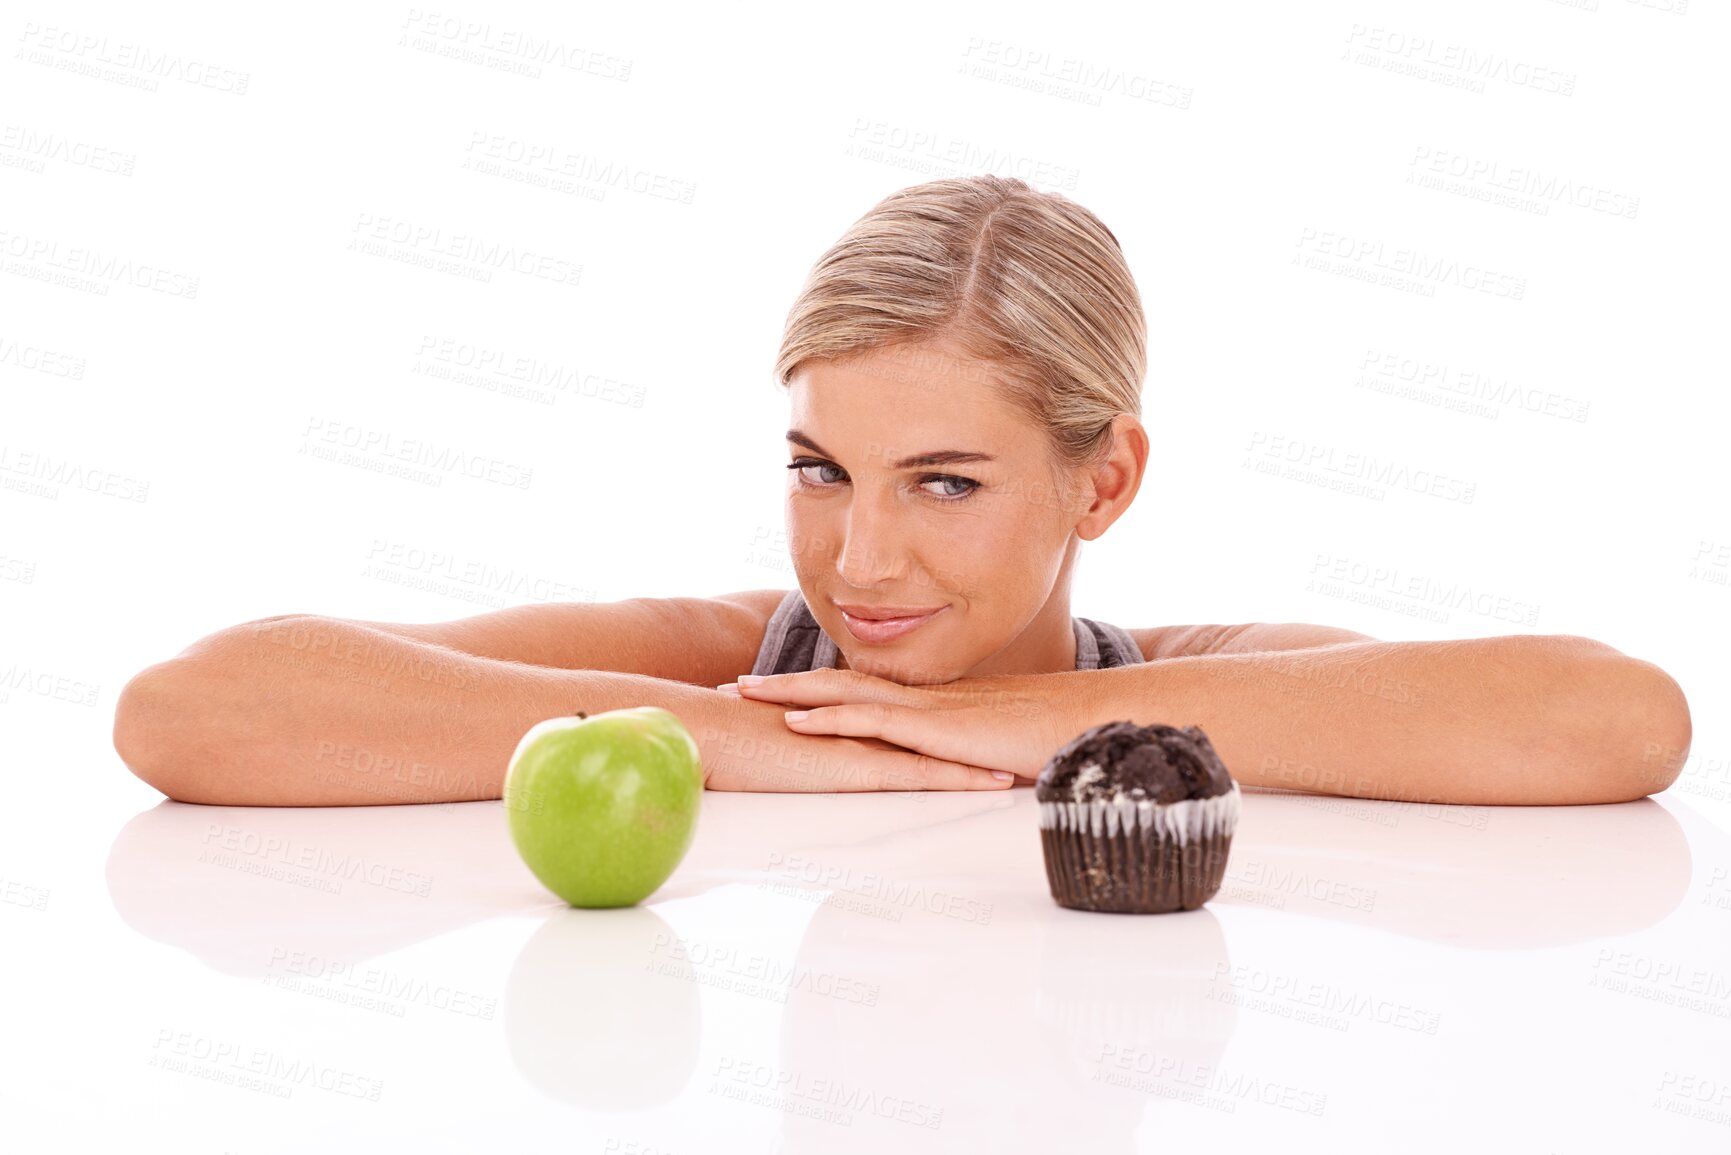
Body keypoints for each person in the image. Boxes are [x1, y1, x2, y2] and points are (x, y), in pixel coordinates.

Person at [112, 175, 1692, 807]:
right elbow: (190, 708)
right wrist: (740, 733)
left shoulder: (1176, 676)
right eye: (821, 469)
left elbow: (1617, 720)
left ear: (1106, 480)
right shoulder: (733, 652)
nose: (856, 557)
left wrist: (1037, 728)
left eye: (945, 481)